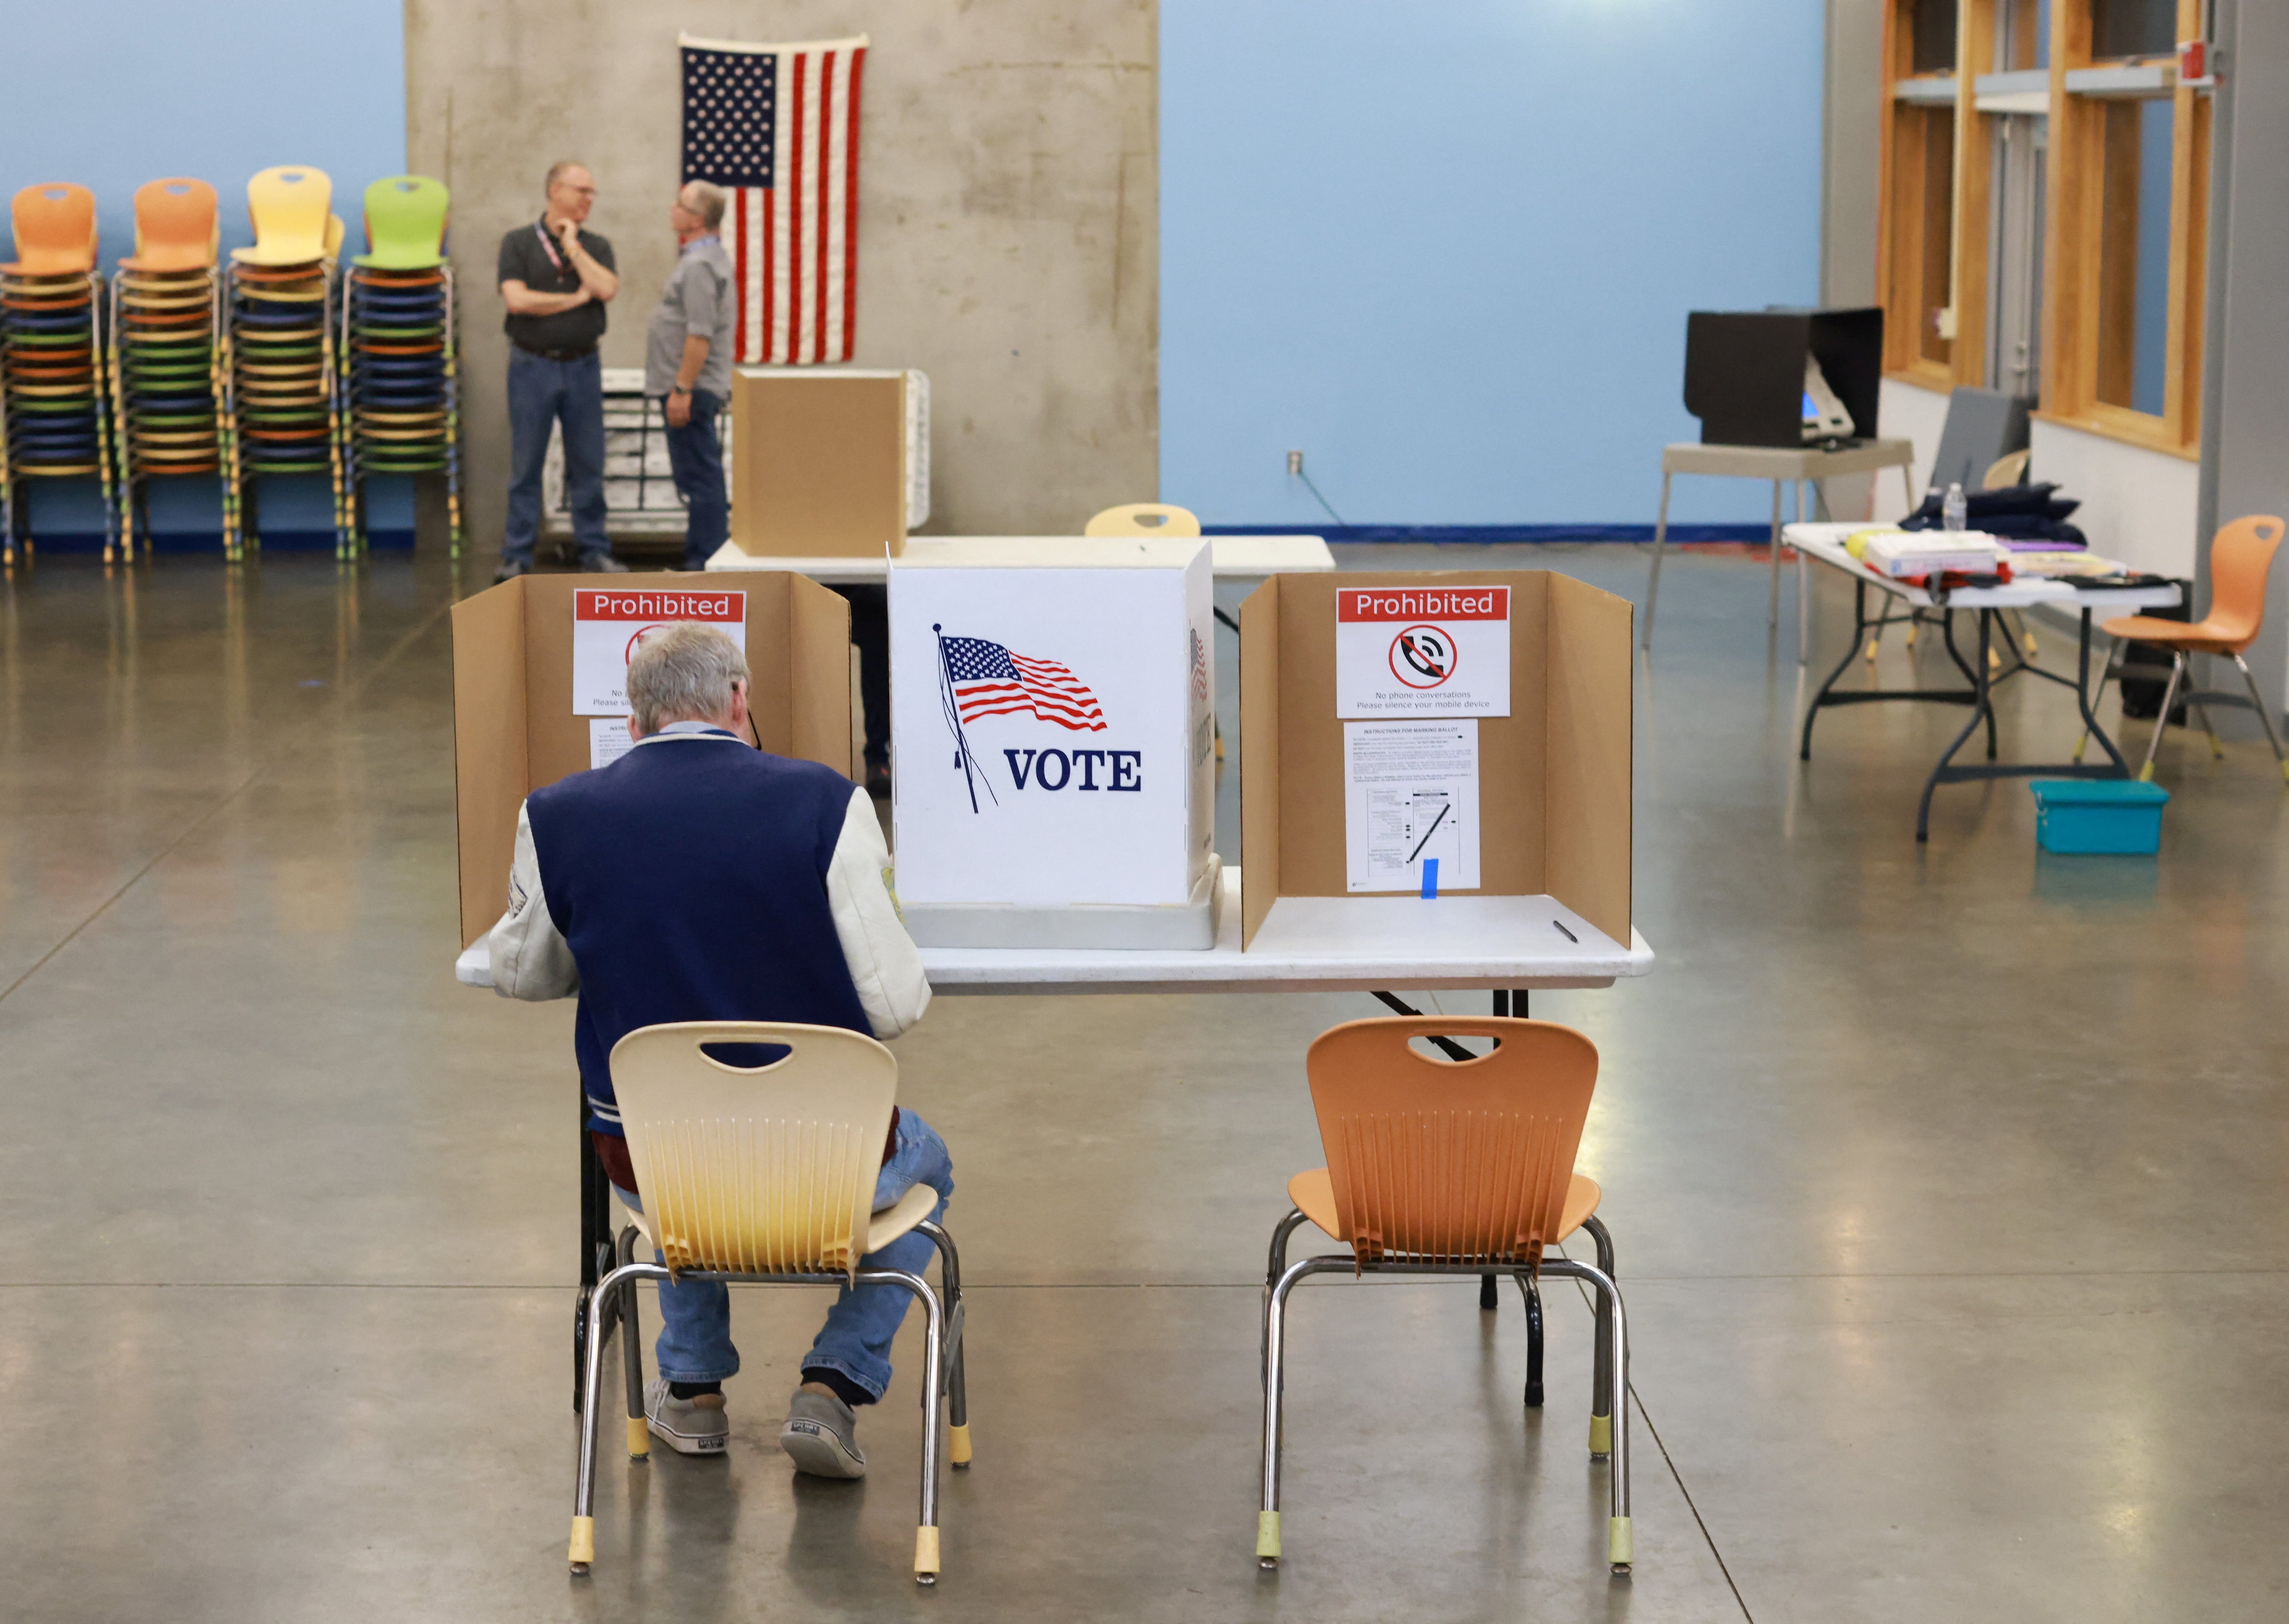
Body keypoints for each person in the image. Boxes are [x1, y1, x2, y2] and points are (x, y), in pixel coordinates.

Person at [483, 623, 943, 1475]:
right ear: (739, 700)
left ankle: (692, 1394)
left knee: (685, 1146)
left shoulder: (556, 813)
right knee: (930, 1165)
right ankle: (834, 1383)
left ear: (636, 717)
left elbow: (529, 972)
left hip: (652, 1161)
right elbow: (894, 1003)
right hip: (821, 1160)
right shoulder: (825, 802)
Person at [496, 161, 629, 582]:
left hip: (582, 366)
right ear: (555, 190)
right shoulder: (518, 243)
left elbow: (606, 288)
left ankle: (593, 550)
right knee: (526, 466)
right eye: (581, 190)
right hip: (532, 364)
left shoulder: (596, 245)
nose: (588, 199)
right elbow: (517, 301)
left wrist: (573, 247)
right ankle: (517, 555)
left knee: (588, 464)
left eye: (592, 192)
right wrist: (573, 301)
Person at [645, 181, 736, 572]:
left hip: (692, 390)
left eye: (679, 204)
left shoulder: (700, 266)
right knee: (697, 478)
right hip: (692, 388)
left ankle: (705, 565)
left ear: (697, 218)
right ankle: (702, 562)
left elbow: (700, 334)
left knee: (700, 480)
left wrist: (682, 388)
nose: (672, 209)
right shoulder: (702, 260)